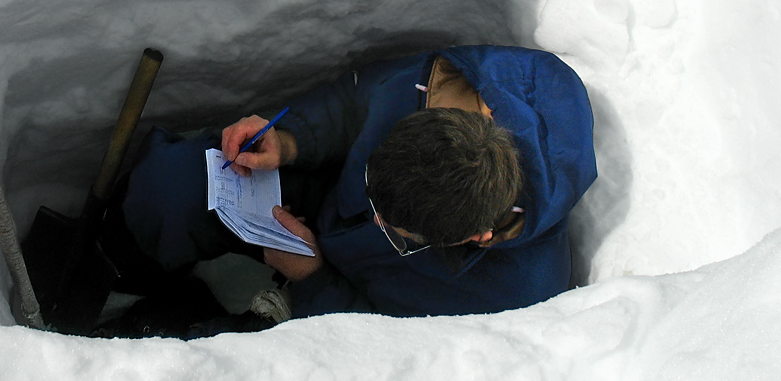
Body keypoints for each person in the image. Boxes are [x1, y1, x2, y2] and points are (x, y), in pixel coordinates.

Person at [109, 44, 595, 328]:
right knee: (168, 192)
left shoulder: (508, 301)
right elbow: (353, 104)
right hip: (318, 194)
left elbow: (386, 351)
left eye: (398, 230)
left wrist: (312, 279)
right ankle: (120, 269)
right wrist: (291, 141)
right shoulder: (441, 85)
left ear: (477, 237)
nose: (375, 216)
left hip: (340, 287)